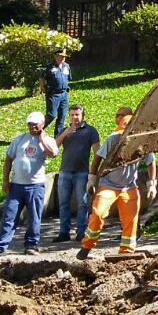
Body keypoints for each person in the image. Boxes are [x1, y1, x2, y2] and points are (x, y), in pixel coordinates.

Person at [78, 107, 158, 259]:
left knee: (131, 220)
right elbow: (97, 158)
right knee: (98, 213)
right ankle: (87, 245)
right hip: (109, 184)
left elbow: (151, 162)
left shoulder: (142, 140)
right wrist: (92, 179)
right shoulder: (113, 139)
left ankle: (127, 252)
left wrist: (152, 183)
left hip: (129, 187)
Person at [0, 111, 58, 256]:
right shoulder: (20, 139)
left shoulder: (48, 140)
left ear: (42, 124)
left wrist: (42, 139)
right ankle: (0, 246)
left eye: (34, 124)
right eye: (29, 124)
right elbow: (9, 159)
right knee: (9, 216)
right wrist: (5, 180)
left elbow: (53, 153)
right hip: (17, 185)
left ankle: (31, 245)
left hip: (35, 185)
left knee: (34, 218)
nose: (32, 126)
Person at [53, 104, 100, 243]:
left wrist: (94, 173)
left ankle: (81, 232)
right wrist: (65, 134)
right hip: (65, 171)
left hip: (82, 172)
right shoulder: (64, 130)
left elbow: (97, 152)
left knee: (82, 203)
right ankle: (64, 232)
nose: (75, 117)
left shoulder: (90, 131)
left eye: (77, 115)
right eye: (72, 115)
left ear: (83, 116)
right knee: (63, 203)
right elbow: (54, 147)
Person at [41, 49, 71, 135]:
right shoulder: (49, 67)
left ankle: (58, 136)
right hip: (53, 94)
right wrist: (44, 88)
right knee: (51, 115)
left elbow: (68, 78)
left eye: (64, 57)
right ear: (56, 56)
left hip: (64, 94)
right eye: (61, 56)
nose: (62, 58)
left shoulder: (67, 66)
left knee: (62, 116)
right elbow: (42, 78)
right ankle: (37, 130)